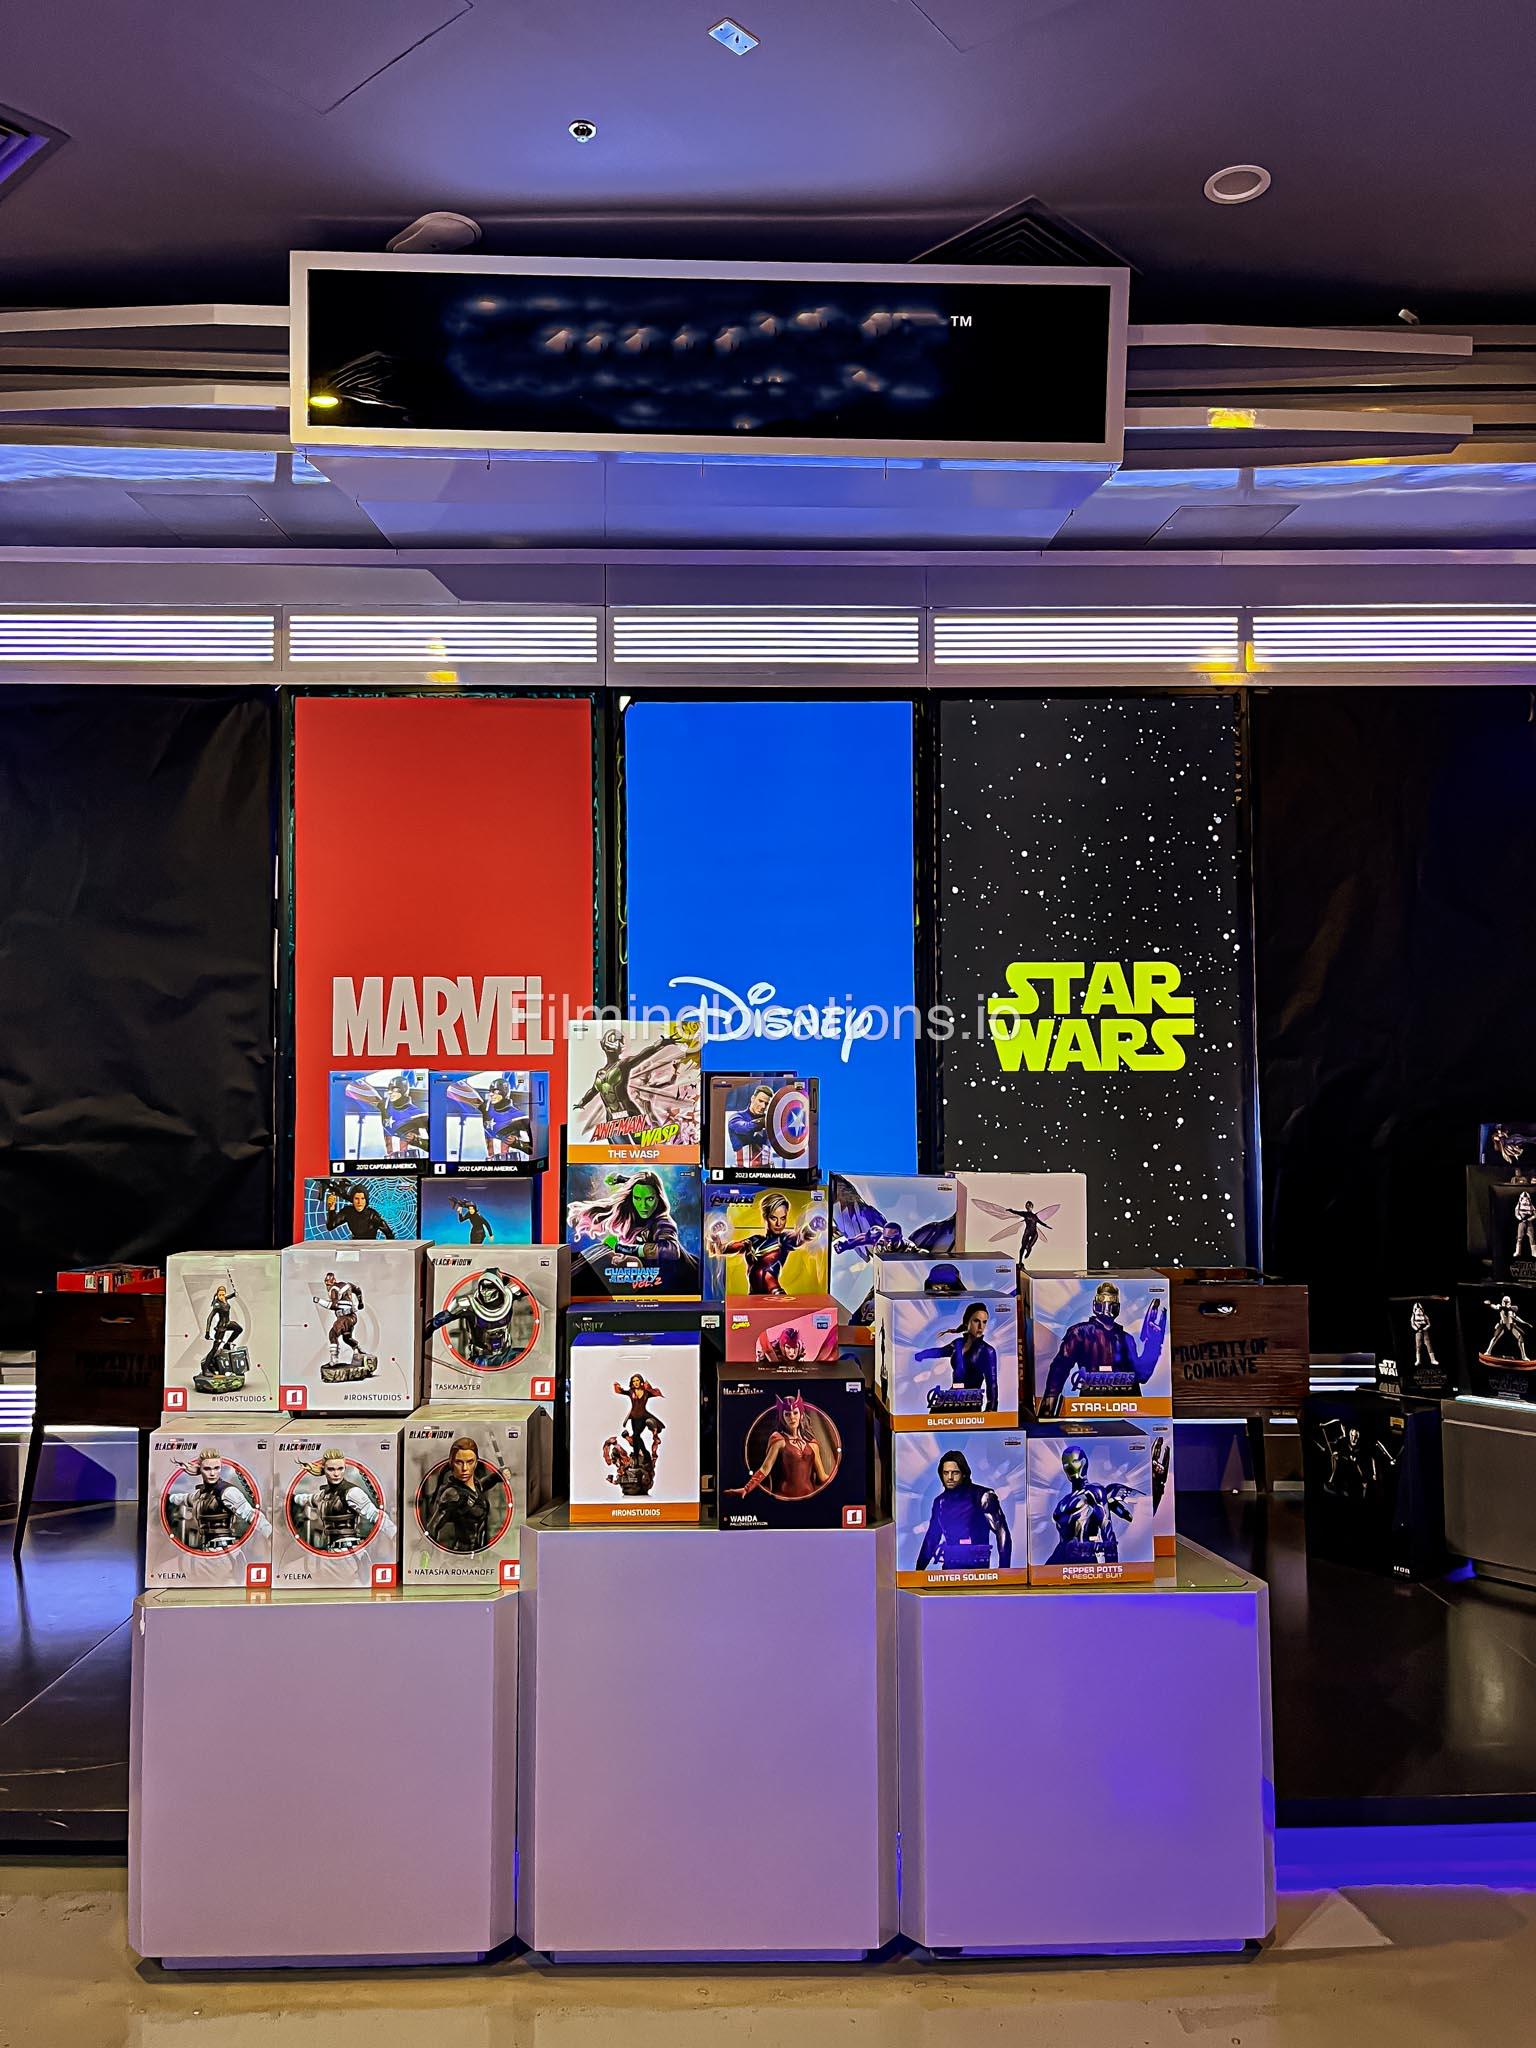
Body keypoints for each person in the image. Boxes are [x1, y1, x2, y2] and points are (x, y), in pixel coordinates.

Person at [1038, 1281, 1166, 1418]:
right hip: (1094, 1404)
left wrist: (1153, 1343)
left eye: (1112, 1300)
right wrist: (1050, 1402)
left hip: (1126, 1406)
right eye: (1104, 1299)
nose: (1108, 1304)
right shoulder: (1080, 1333)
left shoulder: (1126, 1338)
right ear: (1096, 1303)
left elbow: (1141, 1375)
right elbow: (1060, 1368)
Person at [566, 1169, 700, 1292]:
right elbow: (642, 1184)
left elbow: (671, 1250)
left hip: (688, 1282)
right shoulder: (633, 1211)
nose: (643, 1206)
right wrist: (620, 1178)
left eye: (650, 1199)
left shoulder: (663, 1222)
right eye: (637, 1198)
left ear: (658, 1198)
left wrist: (620, 1248)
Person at [707, 1191, 824, 1296]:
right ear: (765, 1217)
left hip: (775, 1294)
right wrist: (715, 1236)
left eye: (783, 1218)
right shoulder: (752, 1241)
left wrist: (812, 1228)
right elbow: (721, 1250)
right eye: (774, 1218)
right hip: (753, 1297)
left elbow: (799, 1238)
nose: (779, 1223)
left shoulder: (783, 1239)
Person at [915, 1450, 1012, 1572]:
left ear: (964, 1473)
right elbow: (932, 1539)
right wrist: (918, 1572)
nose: (950, 1477)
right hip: (949, 1568)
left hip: (977, 1569)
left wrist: (1004, 1570)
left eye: (955, 1472)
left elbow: (1002, 1531)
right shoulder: (939, 1502)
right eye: (946, 1473)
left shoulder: (983, 1496)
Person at [729, 1388, 833, 1501]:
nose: (792, 1417)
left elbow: (822, 1476)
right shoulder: (778, 1440)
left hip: (809, 1497)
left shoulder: (812, 1443)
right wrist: (747, 1488)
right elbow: (765, 1469)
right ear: (782, 1417)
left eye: (795, 1413)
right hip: (783, 1497)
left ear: (801, 1415)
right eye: (787, 1414)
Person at [1047, 1443, 1138, 1565]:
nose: (1069, 1467)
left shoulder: (1094, 1492)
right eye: (1065, 1464)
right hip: (1059, 1557)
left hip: (1082, 1557)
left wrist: (1112, 1567)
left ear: (1083, 1462)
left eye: (1074, 1461)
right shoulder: (1063, 1502)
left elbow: (1107, 1531)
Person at [425, 1270, 534, 1371]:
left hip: (506, 1354)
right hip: (481, 1358)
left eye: (489, 1287)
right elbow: (437, 1322)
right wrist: (423, 1336)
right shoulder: (467, 1304)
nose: (485, 1292)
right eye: (483, 1287)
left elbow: (534, 1285)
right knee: (474, 1382)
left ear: (499, 1287)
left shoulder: (510, 1294)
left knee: (537, 1360)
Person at [914, 1300, 999, 1413]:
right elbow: (940, 1352)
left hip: (971, 1401)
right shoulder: (958, 1343)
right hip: (951, 1397)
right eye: (976, 1321)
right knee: (934, 1416)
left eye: (984, 1322)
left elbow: (992, 1383)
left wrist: (991, 1409)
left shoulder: (987, 1351)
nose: (981, 1326)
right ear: (967, 1322)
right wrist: (920, 1355)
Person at [424, 1437, 504, 1552]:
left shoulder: (476, 1487)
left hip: (480, 1555)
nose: (465, 1468)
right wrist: (426, 1555)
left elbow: (488, 1481)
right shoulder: (452, 1494)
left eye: (470, 1462)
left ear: (476, 1463)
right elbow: (433, 1527)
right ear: (452, 1463)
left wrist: (500, 1474)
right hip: (462, 1557)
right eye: (459, 1462)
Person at [294, 1452, 385, 1552]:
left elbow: (376, 1515)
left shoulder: (352, 1492)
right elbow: (305, 1499)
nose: (336, 1474)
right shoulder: (322, 1495)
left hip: (350, 1550)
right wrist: (291, 1497)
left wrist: (394, 1534)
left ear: (344, 1468)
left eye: (340, 1469)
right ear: (324, 1469)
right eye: (331, 1469)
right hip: (333, 1549)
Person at [176, 1448, 261, 1552]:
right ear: (200, 1469)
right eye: (207, 1469)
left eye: (216, 1468)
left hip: (225, 1550)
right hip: (208, 1549)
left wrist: (272, 1536)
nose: (212, 1473)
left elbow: (254, 1517)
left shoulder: (227, 1491)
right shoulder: (200, 1494)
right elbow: (179, 1498)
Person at [195, 1284, 246, 1390]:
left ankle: (227, 1344)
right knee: (214, 1349)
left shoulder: (224, 1299)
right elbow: (209, 1318)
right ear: (217, 1295)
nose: (222, 1296)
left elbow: (229, 1296)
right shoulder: (217, 1304)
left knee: (238, 1329)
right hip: (221, 1328)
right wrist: (207, 1332)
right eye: (220, 1294)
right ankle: (205, 1368)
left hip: (228, 1324)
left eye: (223, 1294)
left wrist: (234, 1294)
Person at [322, 1183, 396, 1241]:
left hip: (371, 1246)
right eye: (356, 1198)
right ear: (352, 1200)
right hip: (354, 1246)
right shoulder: (348, 1212)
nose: (359, 1202)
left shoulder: (372, 1215)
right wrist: (331, 1207)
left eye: (362, 1198)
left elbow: (389, 1235)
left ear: (366, 1200)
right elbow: (330, 1226)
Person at [1409, 1300, 1439, 1370]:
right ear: (1414, 1310)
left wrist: (1425, 1328)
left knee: (1429, 1345)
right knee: (1418, 1346)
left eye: (1420, 1309)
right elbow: (1412, 1324)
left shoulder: (1425, 1316)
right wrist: (1417, 1328)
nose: (1418, 1310)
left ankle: (1433, 1360)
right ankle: (1418, 1360)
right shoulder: (1413, 1316)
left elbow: (1429, 1324)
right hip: (1418, 1332)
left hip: (1425, 1331)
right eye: (1417, 1309)